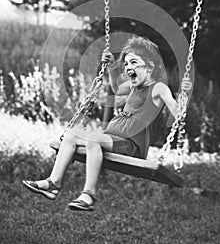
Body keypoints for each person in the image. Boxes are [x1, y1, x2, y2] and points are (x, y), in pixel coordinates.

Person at [22, 35, 192, 211]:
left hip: (131, 145)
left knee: (93, 139)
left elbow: (178, 114)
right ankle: (53, 183)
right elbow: (117, 89)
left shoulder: (159, 88)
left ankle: (88, 194)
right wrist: (111, 67)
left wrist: (184, 96)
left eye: (134, 62)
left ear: (149, 66)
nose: (128, 68)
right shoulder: (134, 87)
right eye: (126, 64)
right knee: (72, 134)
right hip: (113, 138)